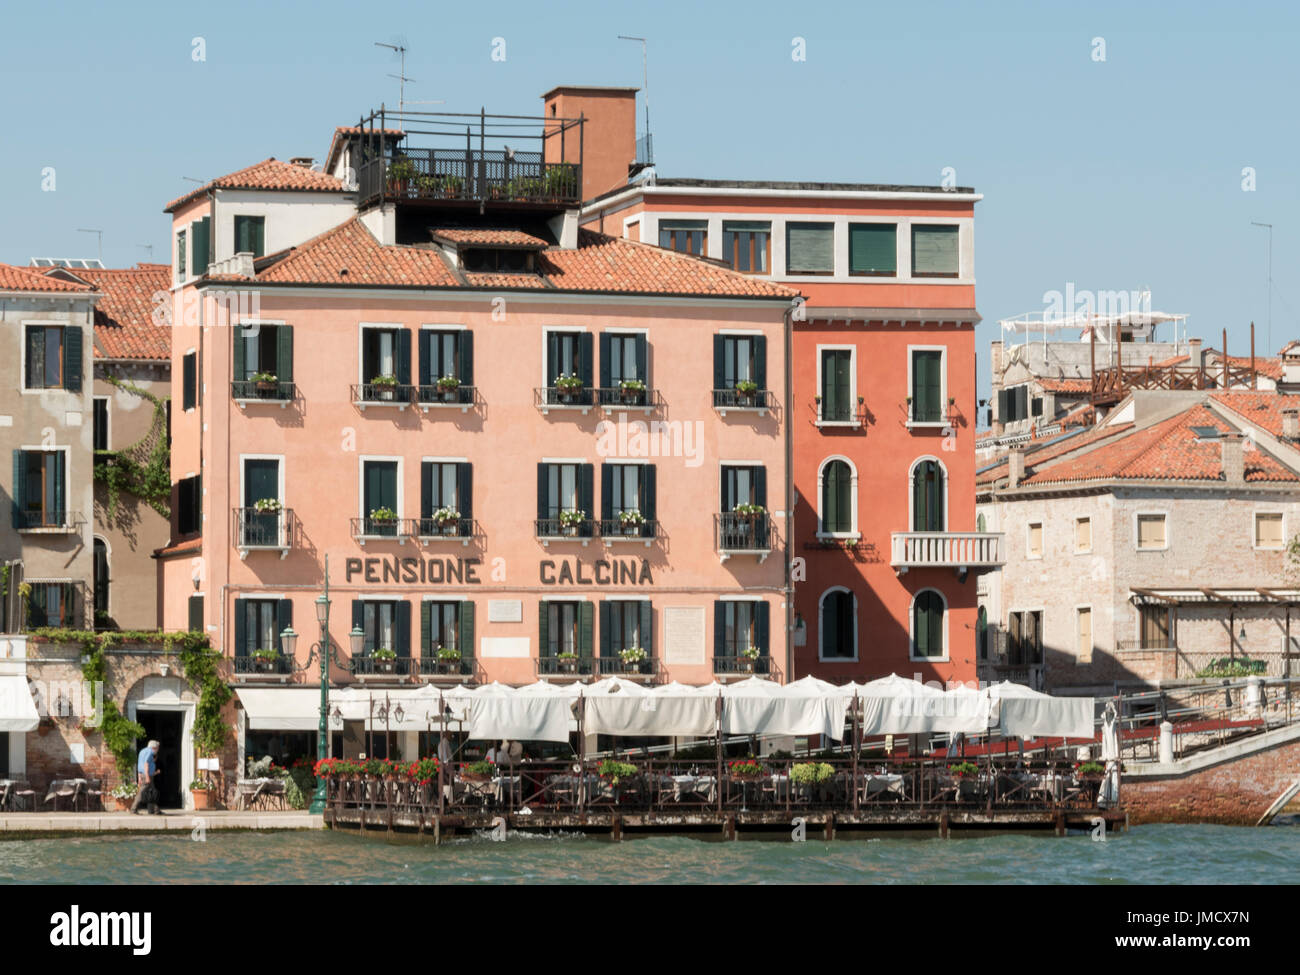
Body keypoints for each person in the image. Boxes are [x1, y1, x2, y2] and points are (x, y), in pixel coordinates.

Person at [130, 740, 161, 814]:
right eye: (157, 748)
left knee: (152, 792)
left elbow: (139, 764)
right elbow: (146, 764)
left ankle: (155, 810)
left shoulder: (142, 751)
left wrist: (139, 776)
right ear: (154, 747)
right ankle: (133, 809)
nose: (158, 750)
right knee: (142, 792)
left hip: (144, 774)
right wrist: (147, 776)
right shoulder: (150, 752)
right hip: (147, 775)